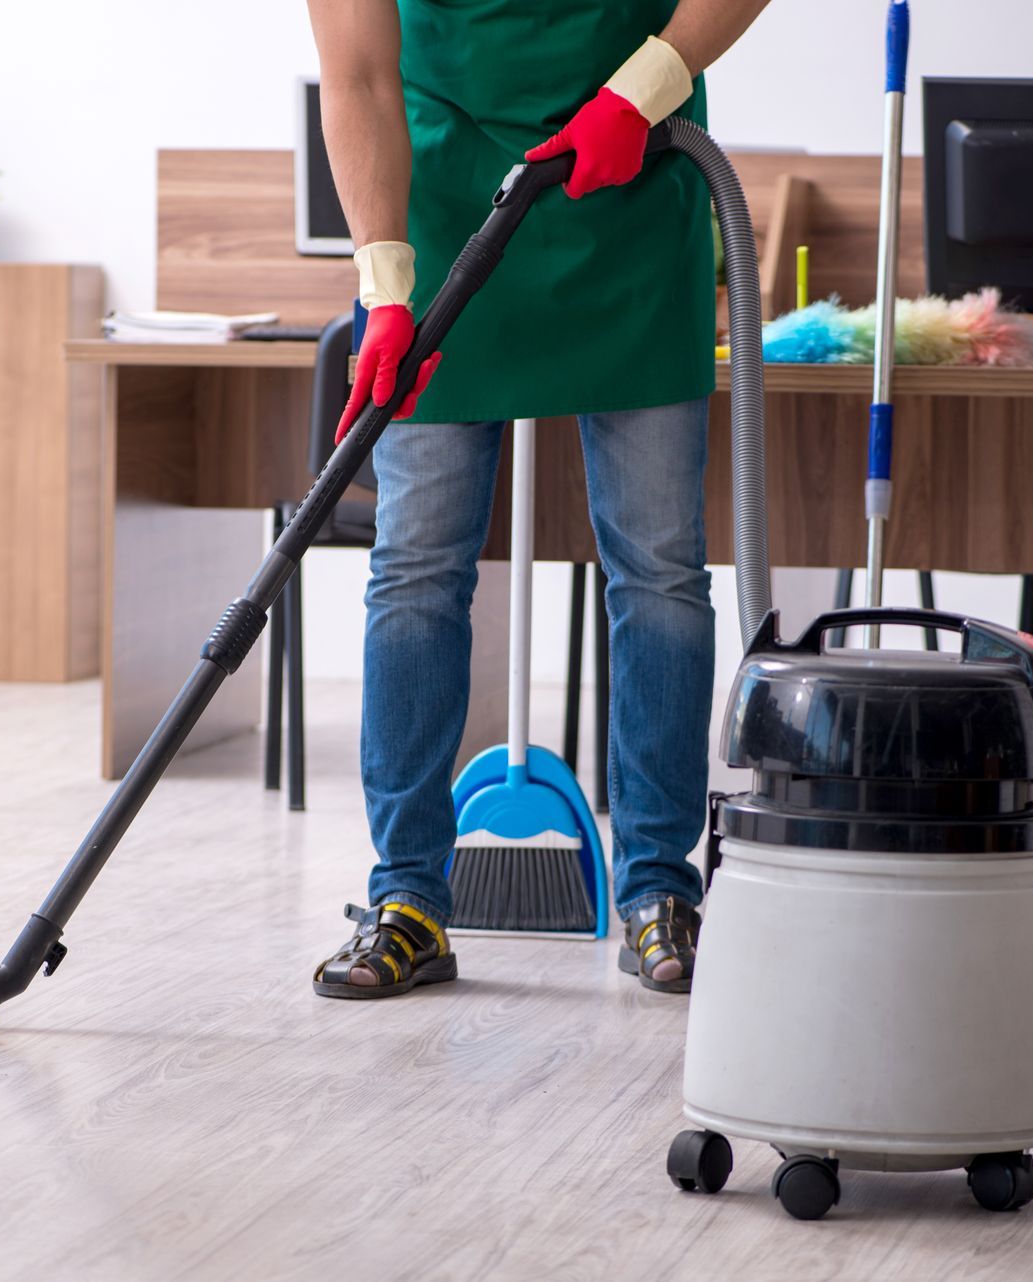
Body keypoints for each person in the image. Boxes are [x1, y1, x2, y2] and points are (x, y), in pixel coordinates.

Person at [306, 0, 772, 1000]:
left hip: (631, 187)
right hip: (439, 212)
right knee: (416, 566)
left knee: (657, 568)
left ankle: (658, 890)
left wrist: (647, 86)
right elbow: (356, 77)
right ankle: (409, 902)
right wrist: (386, 290)